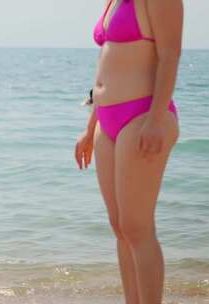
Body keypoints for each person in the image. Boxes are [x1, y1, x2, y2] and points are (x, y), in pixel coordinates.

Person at [75, 0, 182, 303]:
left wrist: (156, 119)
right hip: (105, 121)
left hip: (142, 115)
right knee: (120, 227)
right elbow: (104, 67)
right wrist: (89, 126)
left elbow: (170, 55)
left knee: (137, 226)